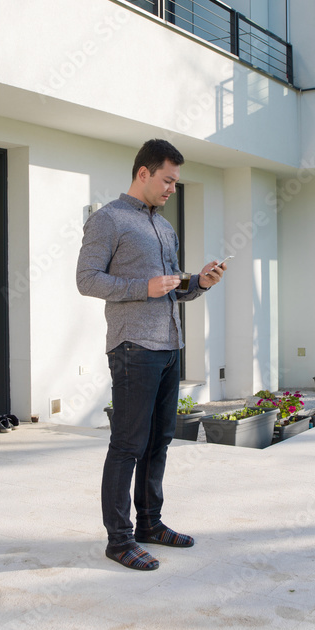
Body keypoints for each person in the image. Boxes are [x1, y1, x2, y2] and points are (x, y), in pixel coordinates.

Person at [76, 138, 227, 571]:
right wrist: (141, 288)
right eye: (168, 180)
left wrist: (199, 281)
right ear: (143, 173)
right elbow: (87, 280)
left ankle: (150, 524)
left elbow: (174, 290)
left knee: (160, 440)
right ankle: (119, 540)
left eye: (176, 182)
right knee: (127, 444)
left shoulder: (164, 227)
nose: (172, 189)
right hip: (133, 348)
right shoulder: (109, 220)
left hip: (169, 345)